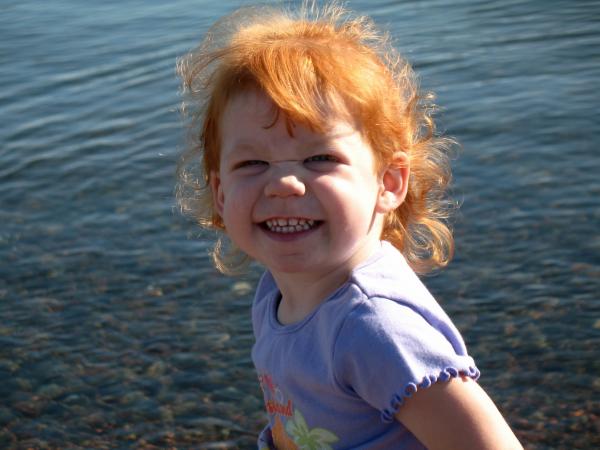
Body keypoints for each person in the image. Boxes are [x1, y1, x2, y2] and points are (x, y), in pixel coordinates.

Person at [176, 2, 523, 449]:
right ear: (221, 192)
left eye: (320, 158)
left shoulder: (373, 327)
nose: (284, 183)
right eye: (252, 162)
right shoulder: (277, 293)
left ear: (389, 181)